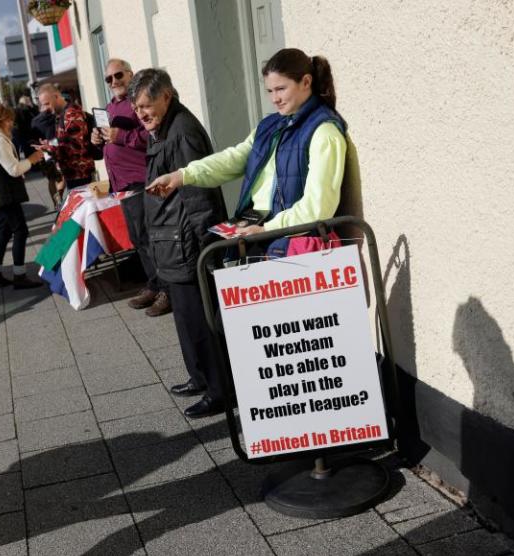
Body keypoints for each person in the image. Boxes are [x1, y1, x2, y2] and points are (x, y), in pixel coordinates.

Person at [146, 48, 347, 257]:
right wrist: (182, 175)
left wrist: (267, 229)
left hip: (296, 246)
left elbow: (318, 207)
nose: (274, 99)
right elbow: (234, 158)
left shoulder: (325, 132)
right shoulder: (270, 125)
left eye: (281, 89)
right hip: (264, 240)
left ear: (306, 82)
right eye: (270, 91)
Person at [129, 68, 227, 419]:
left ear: (166, 96)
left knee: (201, 321)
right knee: (186, 320)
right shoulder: (162, 129)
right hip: (171, 242)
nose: (141, 114)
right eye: (137, 108)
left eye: (146, 105)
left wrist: (206, 246)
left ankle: (219, 392)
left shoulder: (181, 131)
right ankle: (199, 377)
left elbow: (198, 194)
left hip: (188, 243)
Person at [90, 58, 171, 318]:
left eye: (118, 76)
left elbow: (152, 135)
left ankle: (168, 290)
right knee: (138, 239)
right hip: (121, 184)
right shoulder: (110, 107)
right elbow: (105, 148)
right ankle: (154, 284)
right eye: (109, 79)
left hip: (140, 180)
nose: (114, 82)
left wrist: (120, 136)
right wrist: (96, 140)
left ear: (130, 74)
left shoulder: (139, 102)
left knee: (150, 238)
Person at [0, 102, 44, 289]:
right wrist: (32, 159)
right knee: (20, 231)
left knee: (3, 234)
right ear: (1, 120)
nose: (12, 124)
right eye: (10, 120)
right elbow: (13, 169)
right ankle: (19, 276)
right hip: (6, 195)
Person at [34, 83, 95, 193]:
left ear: (56, 96)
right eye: (43, 105)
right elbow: (65, 140)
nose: (45, 109)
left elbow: (76, 145)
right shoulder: (61, 114)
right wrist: (49, 145)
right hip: (73, 173)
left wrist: (50, 148)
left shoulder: (71, 113)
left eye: (47, 104)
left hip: (80, 174)